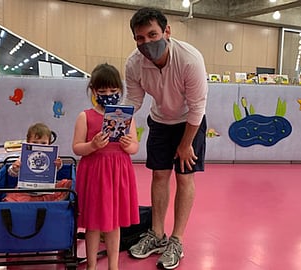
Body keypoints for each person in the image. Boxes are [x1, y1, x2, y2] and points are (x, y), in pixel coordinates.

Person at [124, 7, 208, 270]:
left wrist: (185, 145)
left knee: (184, 176)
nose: (147, 43)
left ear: (167, 32)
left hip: (189, 122)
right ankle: (156, 235)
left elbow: (197, 107)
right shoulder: (134, 63)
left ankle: (176, 240)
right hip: (160, 121)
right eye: (140, 38)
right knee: (159, 175)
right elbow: (133, 100)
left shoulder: (190, 60)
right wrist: (114, 123)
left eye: (152, 35)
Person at [72, 63, 140, 270]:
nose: (108, 95)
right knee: (92, 224)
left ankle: (114, 266)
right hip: (94, 173)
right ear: (93, 91)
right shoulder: (85, 116)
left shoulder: (127, 117)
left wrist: (129, 145)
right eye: (102, 91)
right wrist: (92, 145)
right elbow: (76, 147)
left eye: (113, 91)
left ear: (120, 90)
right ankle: (91, 265)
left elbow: (135, 147)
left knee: (114, 222)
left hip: (118, 172)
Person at [4, 122, 69, 202]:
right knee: (10, 198)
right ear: (28, 142)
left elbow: (55, 170)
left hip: (46, 190)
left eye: (43, 143)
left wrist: (58, 165)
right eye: (34, 142)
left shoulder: (52, 156)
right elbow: (11, 173)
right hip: (26, 191)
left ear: (49, 143)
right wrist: (14, 168)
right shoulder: (24, 156)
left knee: (68, 183)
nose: (39, 146)